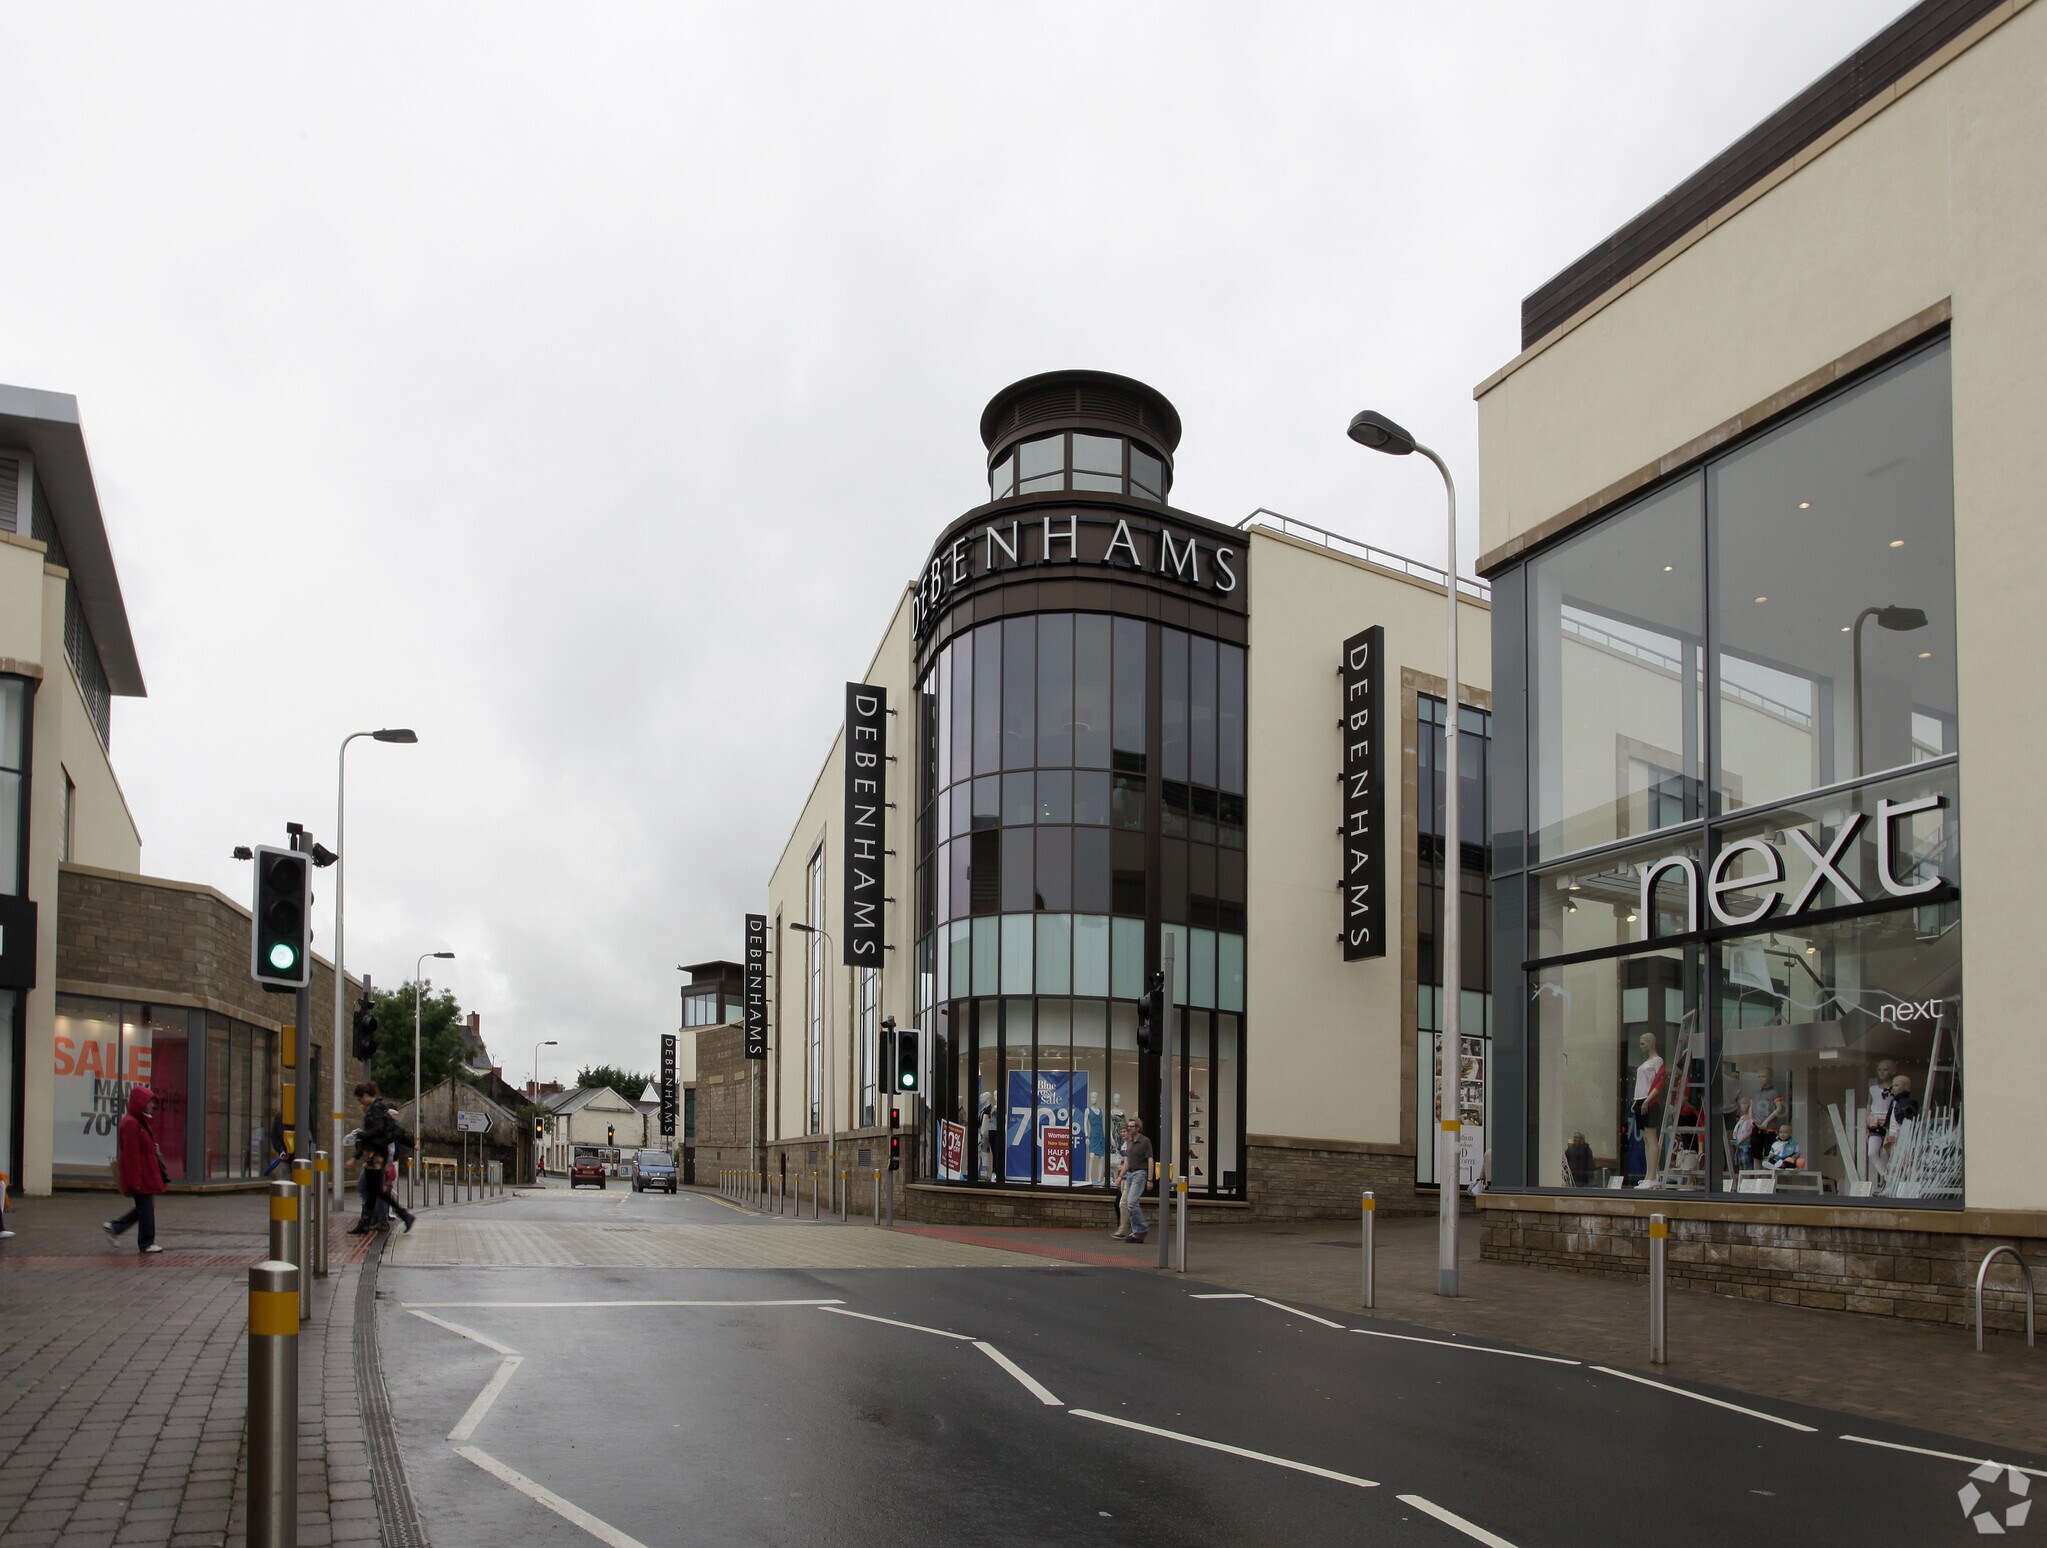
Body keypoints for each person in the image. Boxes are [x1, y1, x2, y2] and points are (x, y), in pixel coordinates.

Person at [104, 1085, 168, 1255]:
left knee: (144, 1208)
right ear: (141, 1103)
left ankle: (115, 1227)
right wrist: (135, 1181)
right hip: (141, 1176)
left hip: (145, 1174)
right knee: (146, 1208)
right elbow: (131, 1156)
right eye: (149, 1102)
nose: (152, 1106)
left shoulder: (139, 1122)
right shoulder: (132, 1124)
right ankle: (146, 1242)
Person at [348, 1082, 405, 1234]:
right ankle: (370, 1221)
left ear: (366, 1096)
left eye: (360, 1098)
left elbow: (380, 1134)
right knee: (374, 1191)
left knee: (371, 1189)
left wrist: (362, 1134)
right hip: (374, 1157)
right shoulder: (374, 1110)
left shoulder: (377, 1109)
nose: (359, 1102)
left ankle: (381, 1218)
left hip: (377, 1158)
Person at [1112, 1118, 1153, 1244]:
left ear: (1138, 1128)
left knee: (1131, 1202)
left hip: (1140, 1174)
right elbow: (1127, 1161)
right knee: (1129, 1204)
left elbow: (1150, 1160)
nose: (1129, 1128)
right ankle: (1136, 1233)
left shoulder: (1145, 1141)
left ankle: (1142, 1228)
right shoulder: (1129, 1142)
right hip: (1129, 1174)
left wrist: (1150, 1179)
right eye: (1128, 1126)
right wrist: (1120, 1176)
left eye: (1131, 1126)